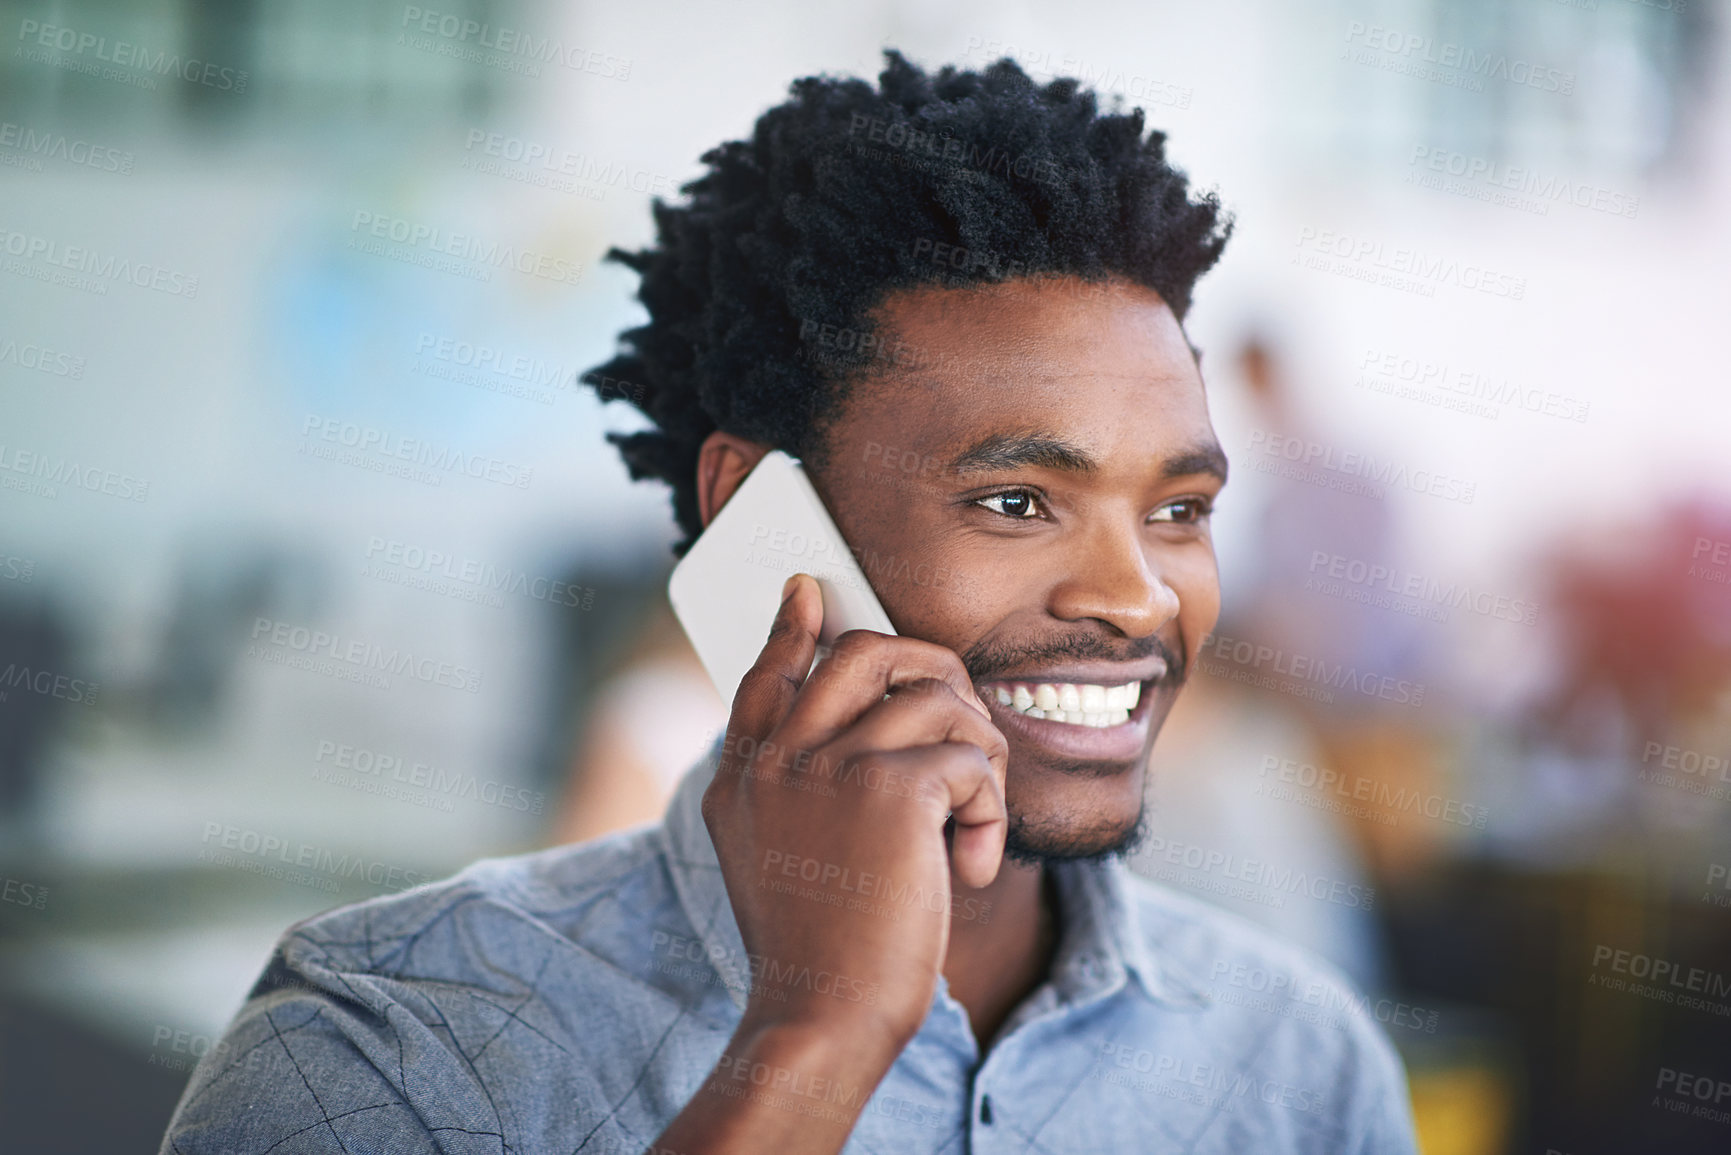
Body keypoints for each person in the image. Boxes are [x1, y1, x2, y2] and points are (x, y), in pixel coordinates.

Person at [160, 51, 1418, 1153]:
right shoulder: (390, 1047)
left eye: (1178, 511)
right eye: (1017, 502)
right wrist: (814, 1041)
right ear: (762, 521)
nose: (1137, 597)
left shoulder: (1298, 1064)